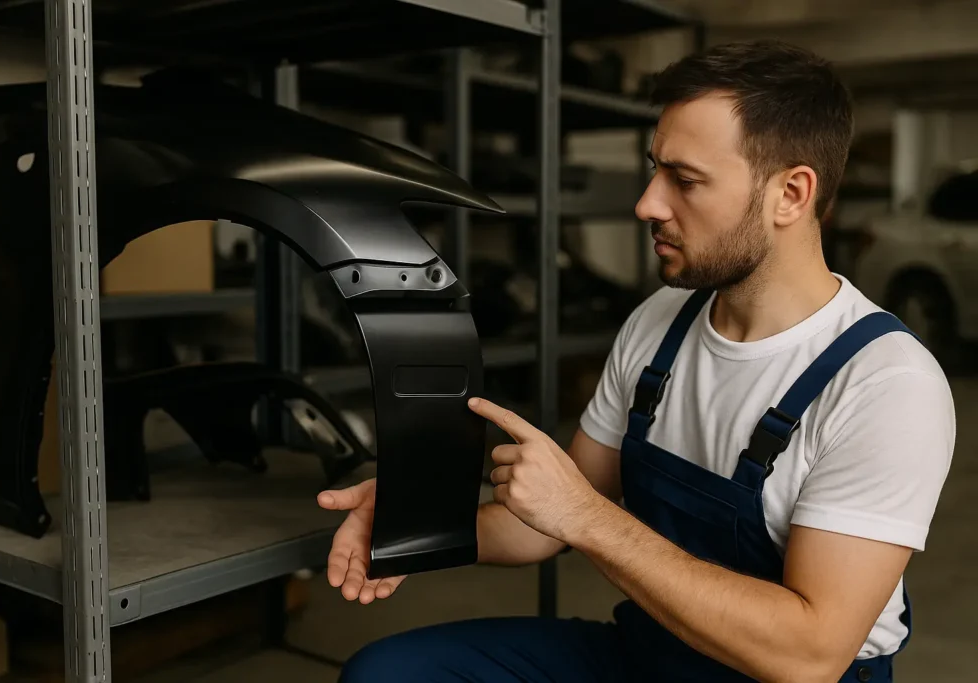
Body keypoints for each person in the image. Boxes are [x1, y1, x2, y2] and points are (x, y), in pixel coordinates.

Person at [317, 39, 956, 683]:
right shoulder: (660, 323)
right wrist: (414, 526)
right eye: (655, 170)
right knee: (388, 674)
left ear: (790, 194)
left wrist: (589, 518)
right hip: (650, 655)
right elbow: (547, 525)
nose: (647, 203)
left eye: (684, 179)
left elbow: (809, 653)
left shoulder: (885, 384)